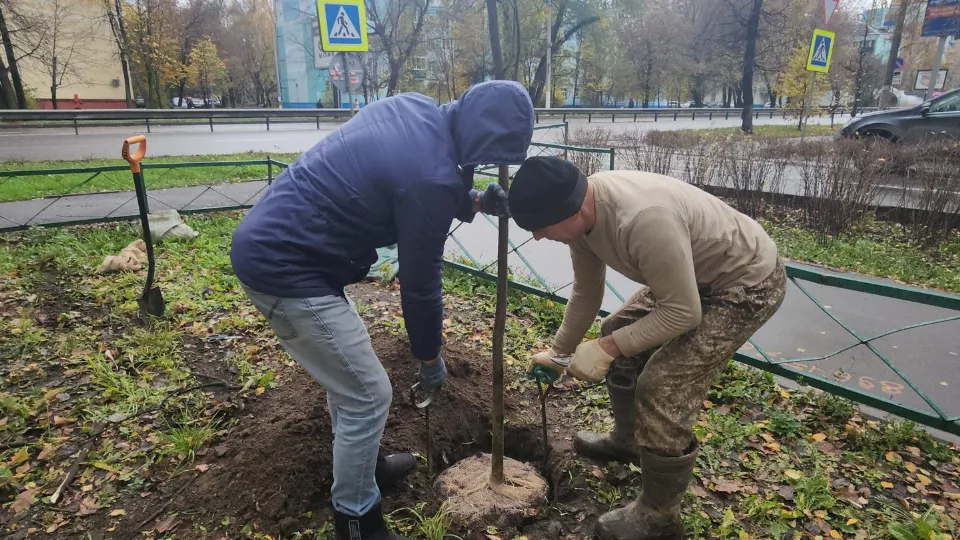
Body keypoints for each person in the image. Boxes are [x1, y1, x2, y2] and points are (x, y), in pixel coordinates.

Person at [230, 81, 534, 540]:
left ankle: (364, 469)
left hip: (288, 246)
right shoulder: (431, 178)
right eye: (493, 154)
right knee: (367, 395)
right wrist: (429, 357)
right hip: (286, 267)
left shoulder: (415, 109)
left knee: (351, 382)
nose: (493, 161)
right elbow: (420, 283)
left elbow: (408, 178)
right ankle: (357, 522)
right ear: (482, 141)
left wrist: (473, 200)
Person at [510, 157, 786, 540]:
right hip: (691, 276)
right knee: (616, 327)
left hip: (744, 280)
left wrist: (607, 348)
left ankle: (658, 516)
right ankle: (628, 441)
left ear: (570, 210)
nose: (538, 237)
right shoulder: (581, 221)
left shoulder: (642, 220)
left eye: (540, 227)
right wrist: (560, 353)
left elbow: (683, 311)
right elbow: (586, 291)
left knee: (663, 385)